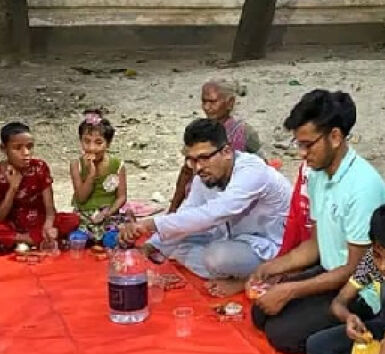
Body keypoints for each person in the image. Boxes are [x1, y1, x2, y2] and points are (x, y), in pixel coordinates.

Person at [249, 90, 385, 354]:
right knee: (260, 311)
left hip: (360, 288)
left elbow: (356, 269)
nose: (302, 154)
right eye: (299, 144)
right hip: (330, 271)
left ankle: (375, 327)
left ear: (335, 137)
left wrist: (290, 290)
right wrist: (271, 267)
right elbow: (315, 244)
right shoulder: (317, 174)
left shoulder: (363, 187)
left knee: (281, 334)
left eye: (308, 145)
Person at [120, 118, 291, 295]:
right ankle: (234, 274)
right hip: (233, 240)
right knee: (176, 242)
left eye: (204, 158)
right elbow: (188, 213)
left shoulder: (252, 170)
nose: (198, 168)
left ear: (226, 152)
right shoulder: (205, 176)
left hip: (272, 249)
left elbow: (216, 213)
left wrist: (151, 224)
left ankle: (257, 278)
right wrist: (150, 247)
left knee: (216, 257)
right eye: (192, 160)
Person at [306, 201, 385, 354]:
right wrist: (349, 317)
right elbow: (339, 301)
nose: (383, 266)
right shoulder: (370, 261)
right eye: (377, 255)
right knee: (317, 346)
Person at [0, 121, 80, 250]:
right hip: (12, 226)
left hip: (39, 223)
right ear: (3, 148)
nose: (26, 152)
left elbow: (50, 209)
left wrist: (48, 226)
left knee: (73, 219)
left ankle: (23, 241)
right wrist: (13, 188)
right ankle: (30, 240)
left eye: (29, 147)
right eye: (17, 148)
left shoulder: (39, 167)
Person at [168, 79, 265, 212]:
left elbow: (262, 168)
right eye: (204, 102)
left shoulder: (244, 132)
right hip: (201, 197)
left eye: (213, 102)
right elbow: (186, 171)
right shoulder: (199, 131)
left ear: (230, 103)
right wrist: (173, 209)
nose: (207, 107)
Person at [70, 109, 128, 242]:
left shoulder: (117, 165)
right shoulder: (76, 165)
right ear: (80, 140)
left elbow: (122, 197)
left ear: (108, 144)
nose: (91, 148)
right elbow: (81, 198)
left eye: (98, 142)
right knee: (77, 239)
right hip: (84, 215)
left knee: (112, 240)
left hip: (109, 214)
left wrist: (107, 213)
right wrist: (91, 175)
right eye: (86, 141)